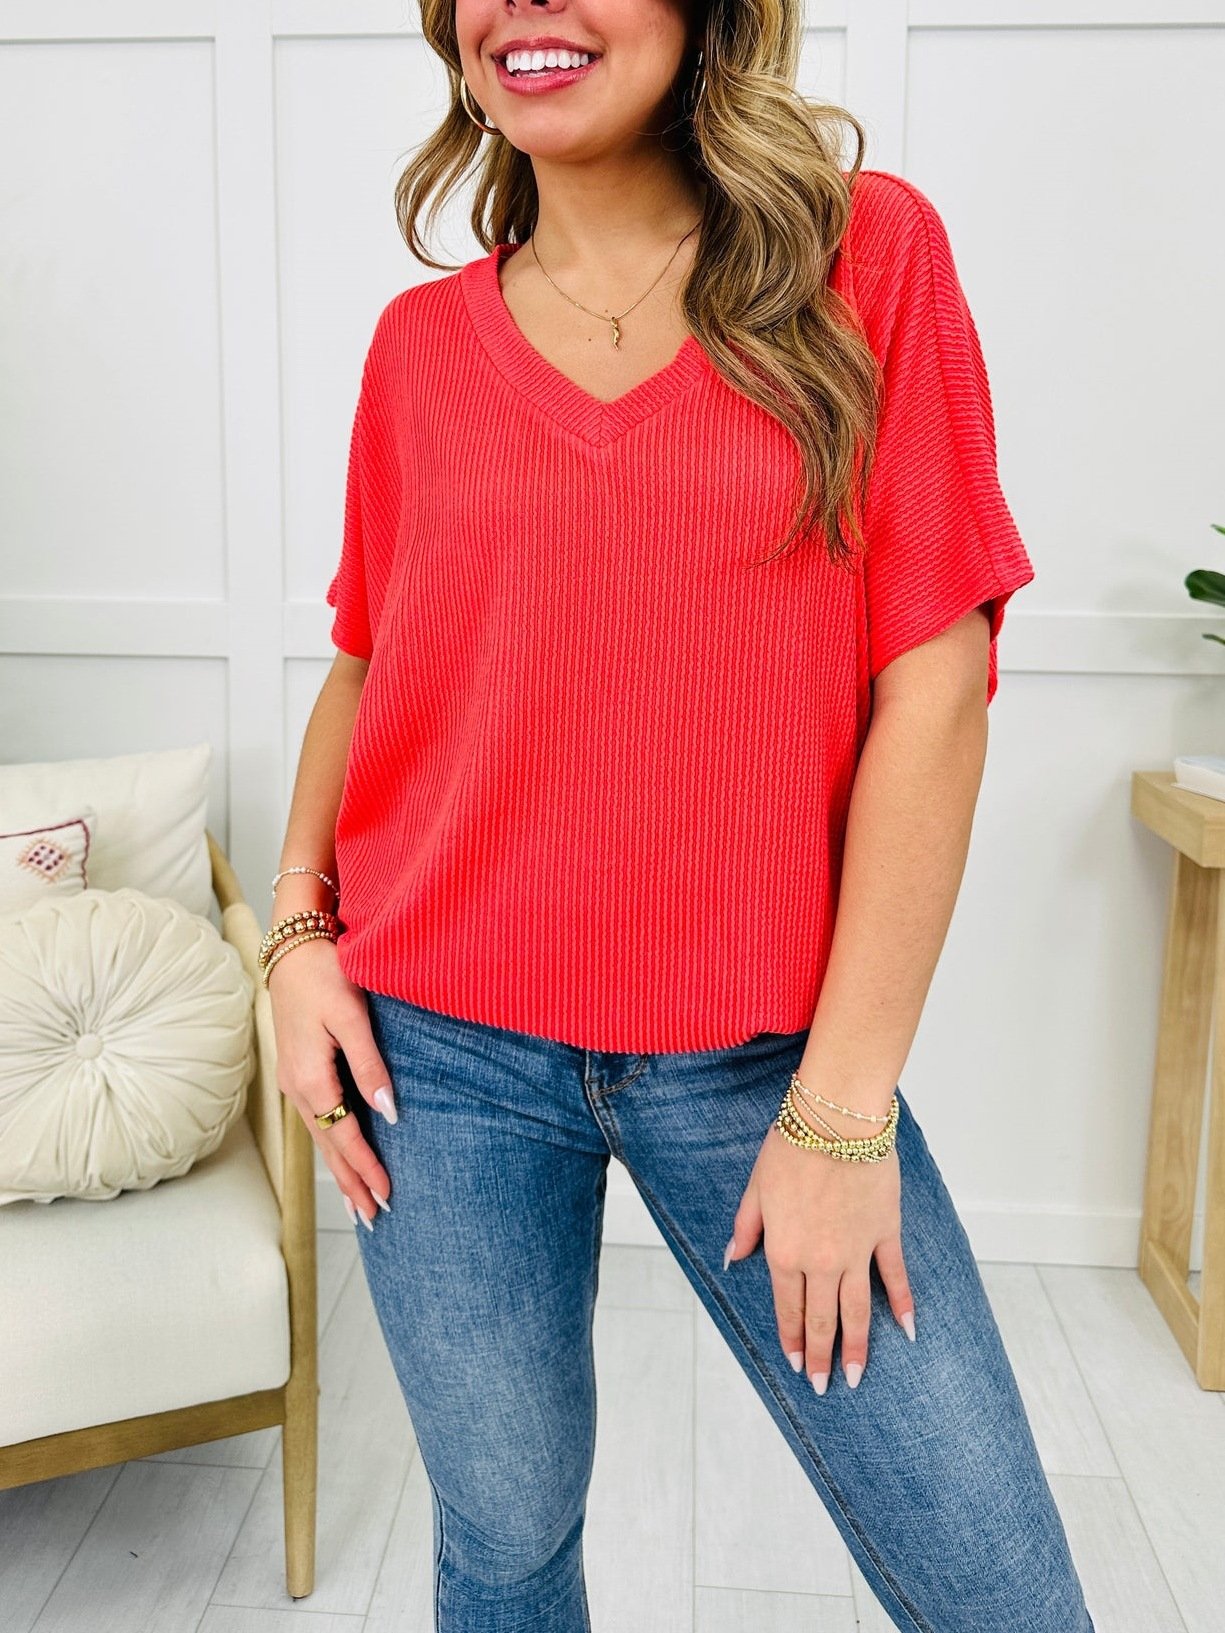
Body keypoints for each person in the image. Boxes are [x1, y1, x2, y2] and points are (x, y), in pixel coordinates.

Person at [265, 1, 1096, 1628]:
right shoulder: (417, 348)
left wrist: (841, 1108)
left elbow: (933, 684)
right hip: (439, 1057)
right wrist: (297, 932)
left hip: (766, 1061)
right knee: (503, 1548)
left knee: (997, 1591)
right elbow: (370, 660)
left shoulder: (863, 258)